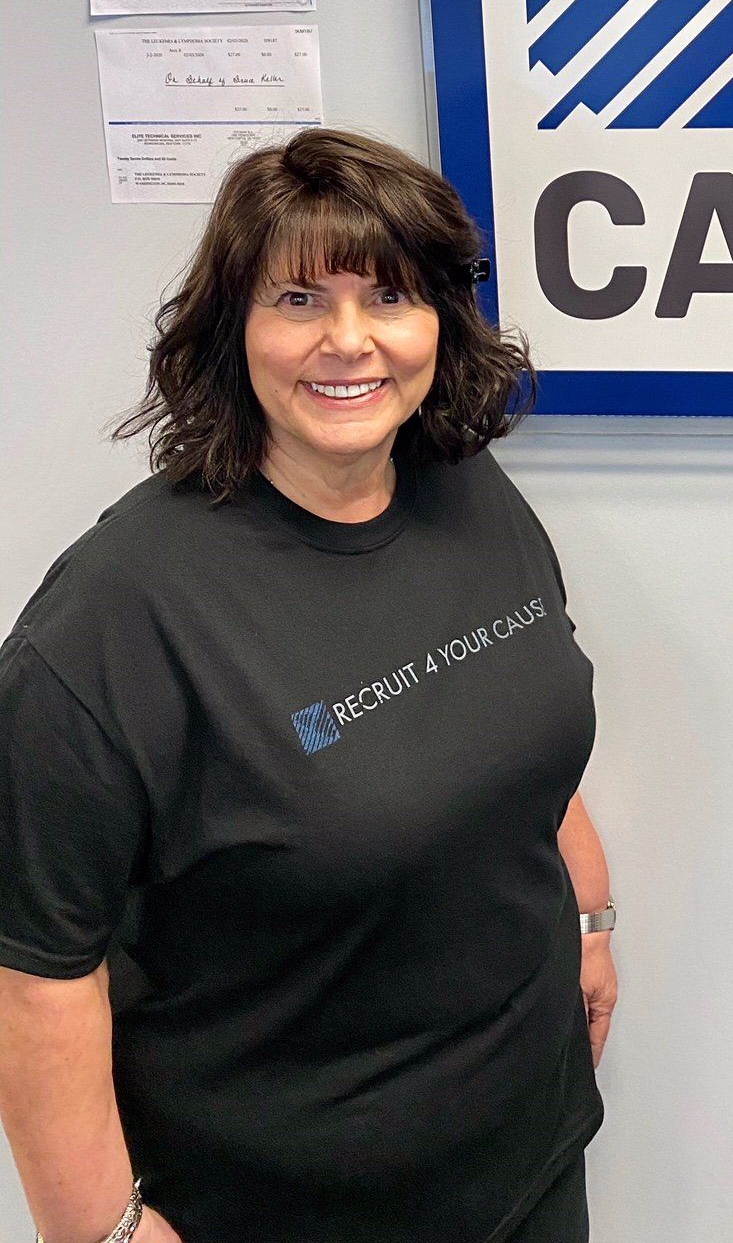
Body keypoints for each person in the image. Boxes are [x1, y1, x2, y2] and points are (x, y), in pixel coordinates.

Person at [0, 129, 617, 1243]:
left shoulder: (468, 493)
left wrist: (591, 916)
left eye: (390, 297)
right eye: (296, 299)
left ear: (439, 323)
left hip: (526, 1157)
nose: (349, 341)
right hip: (290, 1203)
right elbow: (37, 970)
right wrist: (99, 1231)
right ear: (232, 329)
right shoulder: (114, 618)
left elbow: (517, 721)